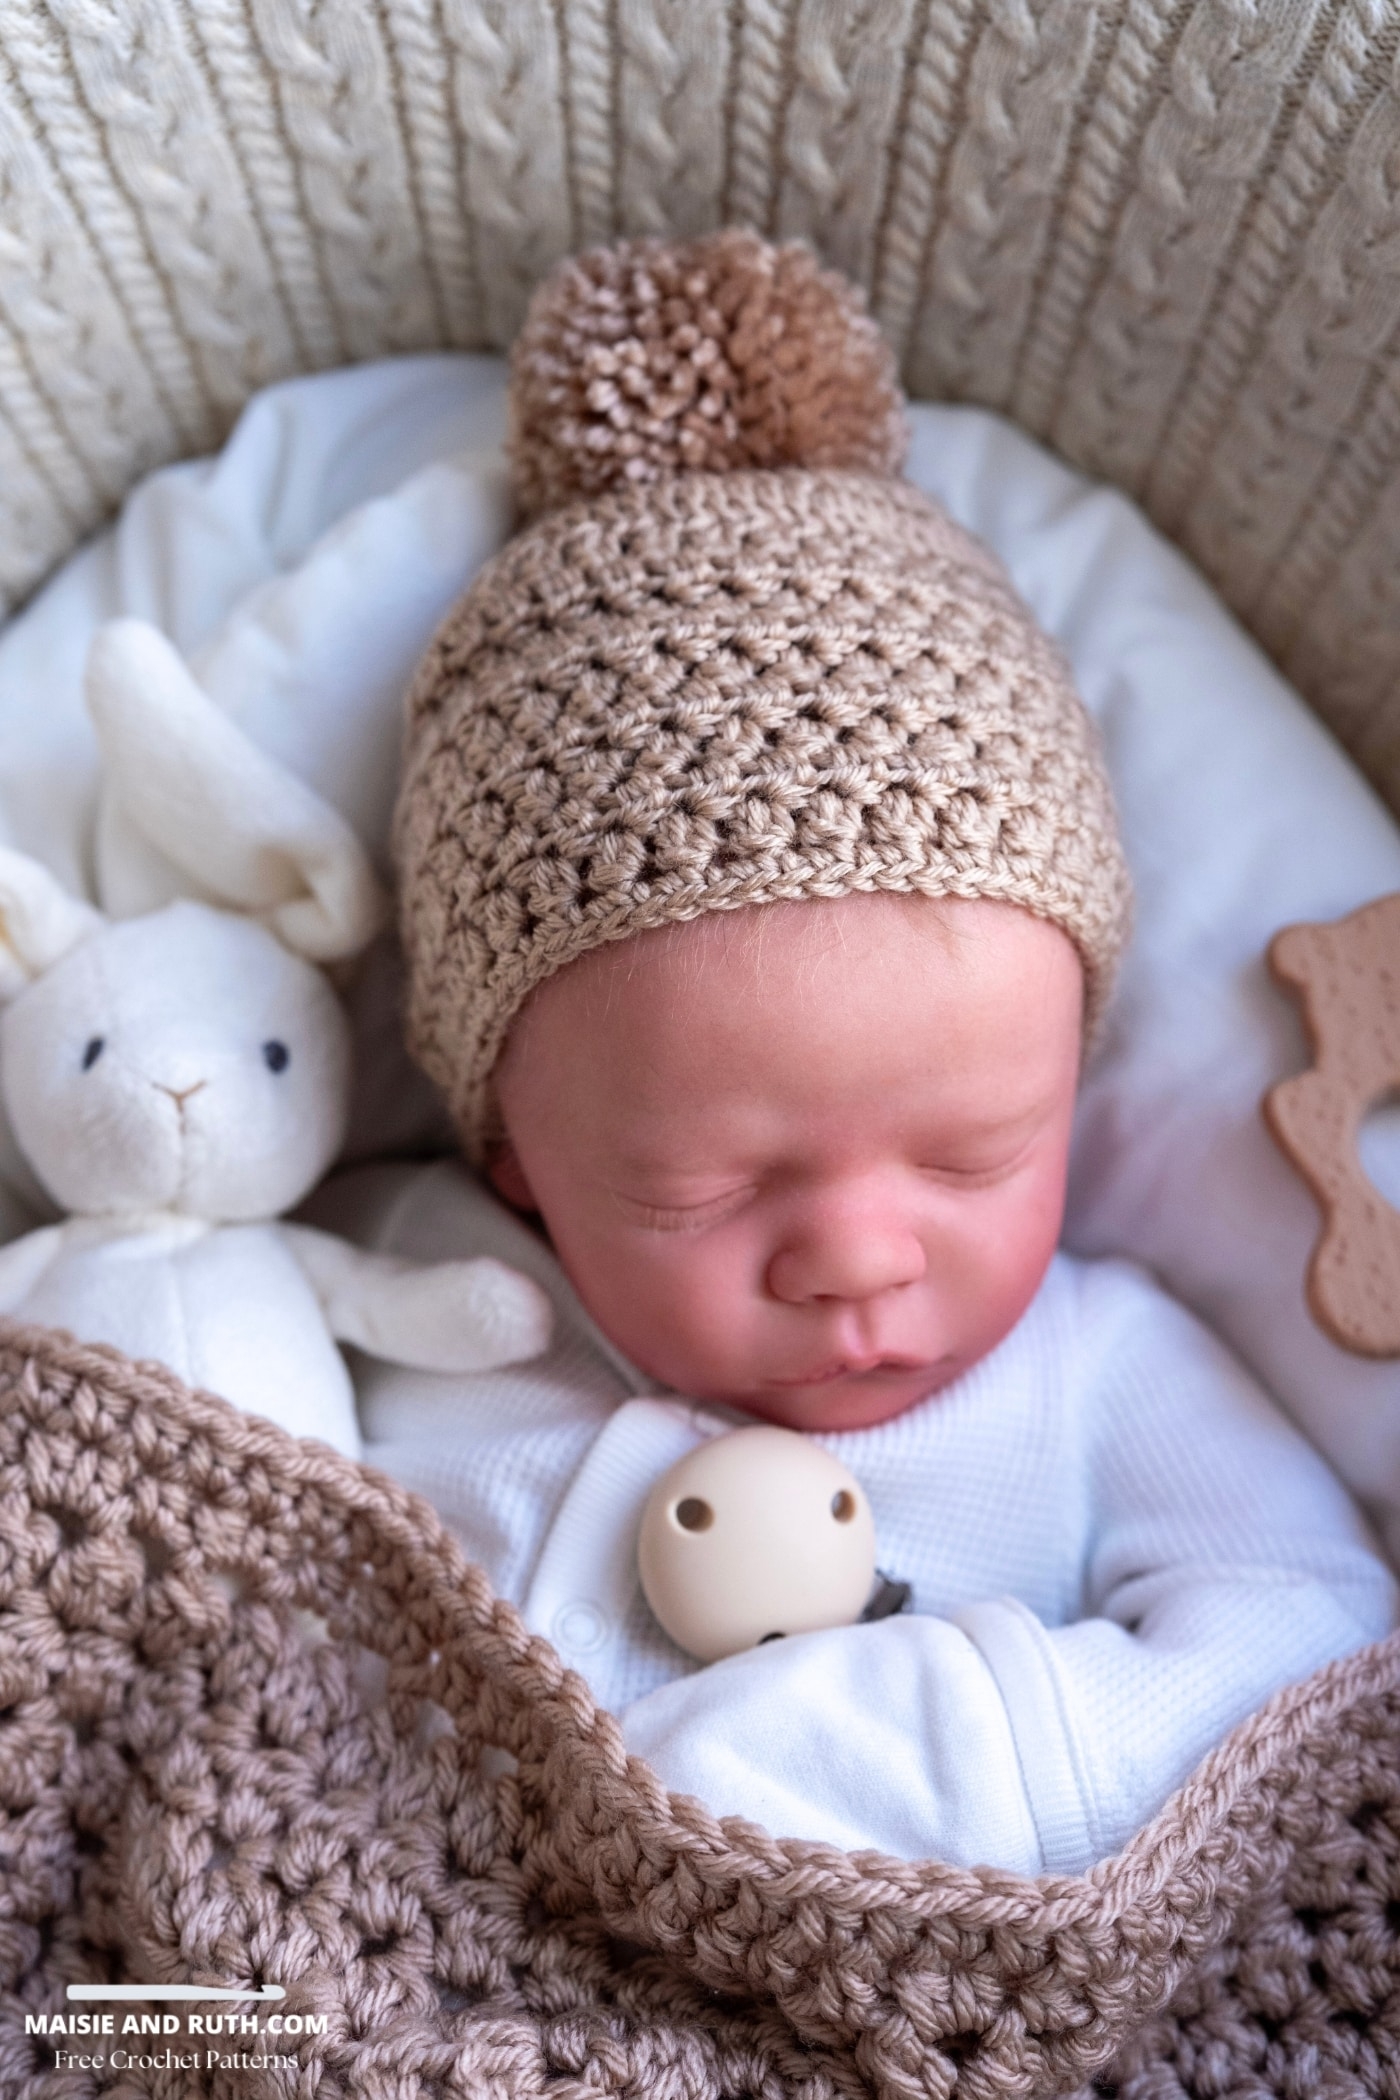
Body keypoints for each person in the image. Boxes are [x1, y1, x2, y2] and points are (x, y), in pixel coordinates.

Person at [384, 228, 1396, 1870]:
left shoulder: (1099, 1373)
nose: (859, 1259)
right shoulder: (402, 1280)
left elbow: (1317, 1634)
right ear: (512, 1154)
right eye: (703, 1188)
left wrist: (989, 1747)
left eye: (975, 1155)